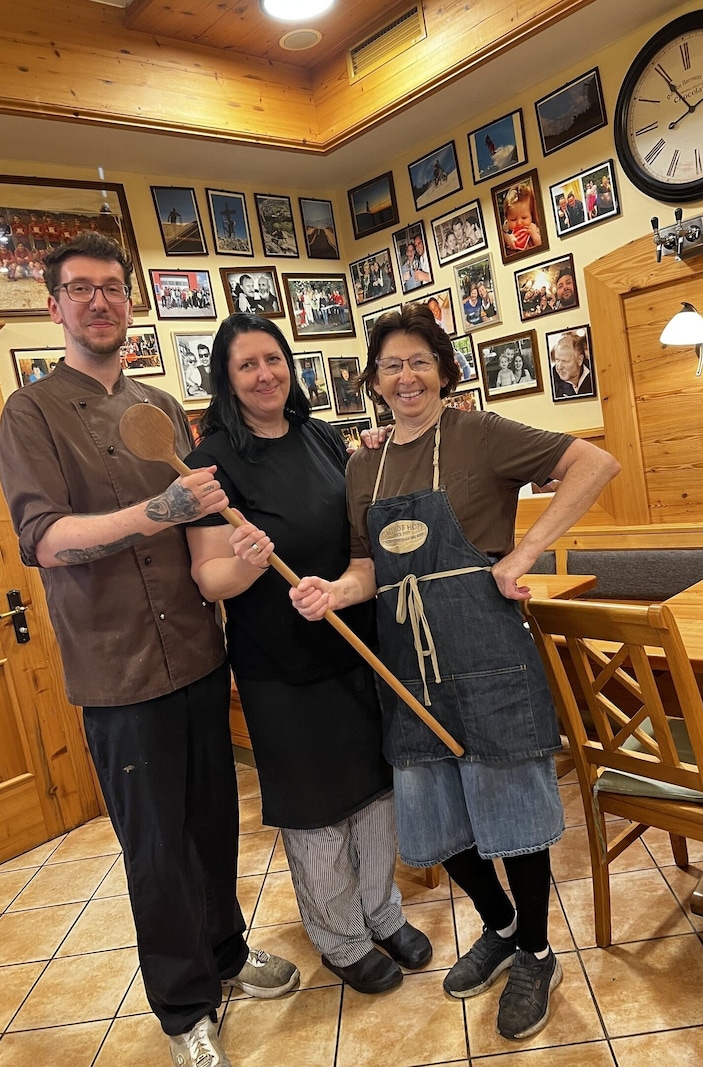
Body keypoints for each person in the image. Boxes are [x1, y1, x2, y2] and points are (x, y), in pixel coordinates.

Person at [0, 233, 299, 1067]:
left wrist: (235, 549)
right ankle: (183, 1005)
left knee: (212, 826)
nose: (100, 301)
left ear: (129, 303)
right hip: (118, 676)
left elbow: (199, 530)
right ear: (55, 306)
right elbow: (47, 540)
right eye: (81, 289)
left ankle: (228, 956)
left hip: (200, 655)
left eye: (113, 289)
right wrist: (153, 511)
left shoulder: (161, 407)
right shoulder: (30, 412)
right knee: (156, 849)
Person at [290, 304, 619, 1042]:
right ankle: (500, 926)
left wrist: (525, 552)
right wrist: (333, 592)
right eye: (391, 366)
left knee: (512, 811)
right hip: (406, 663)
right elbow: (366, 566)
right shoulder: (363, 462)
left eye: (419, 361)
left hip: (487, 653)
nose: (406, 376)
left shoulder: (478, 433)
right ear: (373, 381)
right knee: (439, 814)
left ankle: (536, 950)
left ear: (444, 369)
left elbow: (594, 463)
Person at [182, 313, 431, 996]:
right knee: (317, 811)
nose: (265, 374)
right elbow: (209, 578)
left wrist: (374, 448)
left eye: (273, 358)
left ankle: (382, 913)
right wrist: (251, 562)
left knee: (375, 793)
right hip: (280, 668)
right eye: (246, 365)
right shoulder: (213, 461)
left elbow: (354, 517)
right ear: (226, 379)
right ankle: (341, 936)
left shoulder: (321, 436)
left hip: (354, 645)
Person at [550, 330, 594, 398]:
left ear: (580, 360)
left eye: (565, 361)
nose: (559, 367)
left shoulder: (594, 372)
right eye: (557, 360)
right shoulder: (552, 381)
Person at [501, 184, 542, 254]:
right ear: (507, 219)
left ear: (531, 215)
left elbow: (543, 248)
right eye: (513, 219)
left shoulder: (535, 230)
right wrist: (506, 238)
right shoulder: (507, 233)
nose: (519, 223)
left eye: (524, 217)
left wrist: (535, 236)